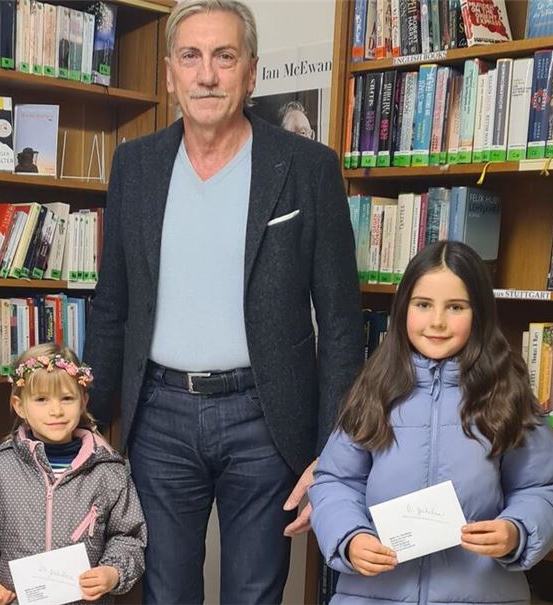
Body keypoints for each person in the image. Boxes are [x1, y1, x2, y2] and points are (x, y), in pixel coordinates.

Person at [82, 0, 364, 602]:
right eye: (191, 57)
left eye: (224, 57)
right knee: (164, 589)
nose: (207, 75)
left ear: (251, 71)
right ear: (169, 74)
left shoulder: (308, 168)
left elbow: (341, 323)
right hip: (158, 414)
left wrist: (332, 451)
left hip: (267, 416)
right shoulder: (136, 164)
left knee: (255, 592)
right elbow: (112, 303)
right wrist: (87, 419)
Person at [309, 240, 553, 603]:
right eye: (423, 305)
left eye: (456, 307)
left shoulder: (507, 395)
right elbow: (335, 481)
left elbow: (542, 487)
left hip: (481, 593)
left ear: (479, 313)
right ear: (403, 309)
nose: (437, 321)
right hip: (374, 594)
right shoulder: (373, 390)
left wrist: (516, 531)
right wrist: (350, 537)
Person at [0, 343, 147, 605]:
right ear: (19, 406)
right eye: (41, 399)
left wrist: (113, 572)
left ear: (83, 401)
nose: (56, 411)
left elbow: (128, 536)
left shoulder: (109, 471)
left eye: (67, 398)